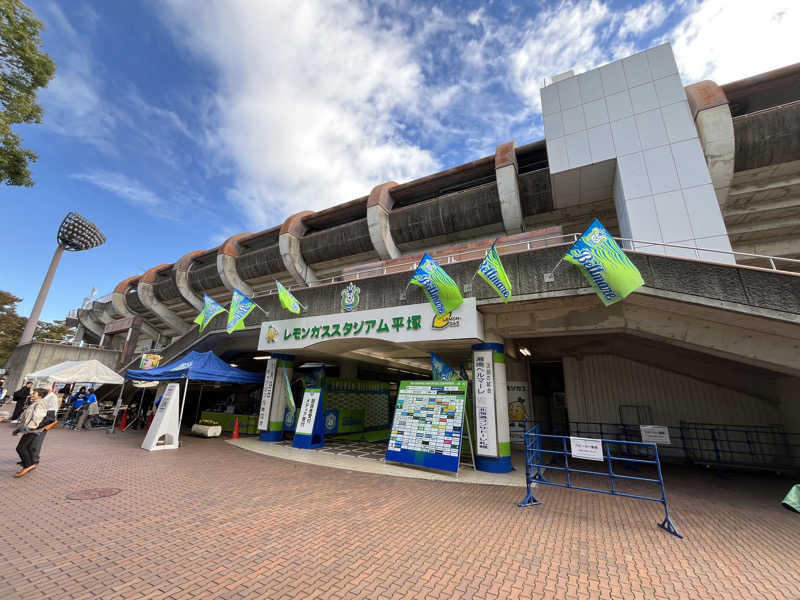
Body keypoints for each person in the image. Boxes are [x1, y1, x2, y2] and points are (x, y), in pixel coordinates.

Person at [12, 387, 49, 477]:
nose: (32, 394)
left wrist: (30, 428)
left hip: (32, 430)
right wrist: (19, 428)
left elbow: (37, 418)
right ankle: (29, 464)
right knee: (25, 448)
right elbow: (27, 417)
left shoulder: (40, 404)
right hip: (29, 429)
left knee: (21, 448)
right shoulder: (35, 403)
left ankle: (28, 465)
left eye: (34, 393)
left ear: (39, 395)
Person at [29, 391, 59, 466]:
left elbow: (51, 413)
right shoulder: (44, 399)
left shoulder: (52, 398)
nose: (32, 395)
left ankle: (34, 460)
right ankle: (28, 458)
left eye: (34, 394)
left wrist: (39, 425)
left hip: (42, 423)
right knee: (31, 441)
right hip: (38, 423)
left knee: (37, 441)